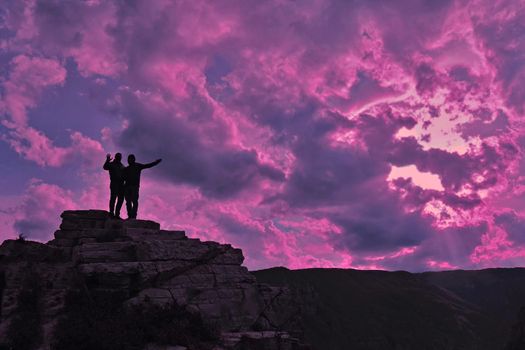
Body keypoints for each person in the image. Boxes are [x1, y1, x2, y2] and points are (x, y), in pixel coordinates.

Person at [123, 154, 162, 219]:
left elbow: (147, 165)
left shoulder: (138, 166)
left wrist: (155, 162)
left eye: (130, 159)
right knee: (128, 202)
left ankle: (133, 216)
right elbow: (122, 178)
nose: (129, 160)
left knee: (134, 201)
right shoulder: (126, 169)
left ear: (134, 159)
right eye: (128, 159)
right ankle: (130, 216)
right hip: (127, 187)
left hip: (134, 187)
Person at [103, 153, 125, 218]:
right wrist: (107, 160)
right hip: (114, 183)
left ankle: (117, 214)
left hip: (121, 184)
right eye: (118, 157)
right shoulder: (112, 164)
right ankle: (112, 212)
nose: (119, 158)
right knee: (113, 198)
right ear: (115, 157)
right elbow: (105, 167)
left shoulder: (122, 166)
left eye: (120, 157)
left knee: (121, 199)